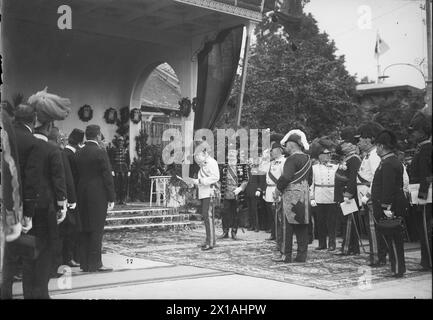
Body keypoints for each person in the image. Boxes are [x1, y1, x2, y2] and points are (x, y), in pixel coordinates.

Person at [23, 88, 69, 299]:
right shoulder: (52, 150)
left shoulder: (23, 143)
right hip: (45, 208)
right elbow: (58, 180)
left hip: (24, 207)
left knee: (28, 255)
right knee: (45, 254)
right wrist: (62, 205)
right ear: (50, 125)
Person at [76, 125, 115, 272]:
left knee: (84, 227)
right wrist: (111, 196)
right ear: (98, 136)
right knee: (97, 229)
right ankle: (96, 263)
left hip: (81, 192)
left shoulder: (78, 152)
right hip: (98, 194)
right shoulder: (100, 152)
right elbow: (107, 176)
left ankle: (84, 263)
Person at [371, 130, 408, 278]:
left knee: (393, 237)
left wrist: (386, 206)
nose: (376, 150)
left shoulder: (388, 164)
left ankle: (398, 268)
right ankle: (396, 267)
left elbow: (388, 187)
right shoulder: (390, 161)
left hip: (390, 206)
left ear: (381, 146)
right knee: (392, 237)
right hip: (391, 203)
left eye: (377, 146)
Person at [274, 130, 312, 263]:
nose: (286, 147)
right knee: (302, 226)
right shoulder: (308, 159)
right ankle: (302, 255)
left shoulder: (291, 159)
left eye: (287, 144)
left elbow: (286, 177)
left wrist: (278, 189)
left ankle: (286, 255)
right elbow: (310, 180)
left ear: (292, 144)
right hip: (304, 196)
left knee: (286, 227)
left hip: (290, 197)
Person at [47, 127, 77, 275]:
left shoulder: (39, 149)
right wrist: (70, 199)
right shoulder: (59, 153)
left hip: (41, 199)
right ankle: (57, 265)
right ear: (59, 140)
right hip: (57, 200)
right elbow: (65, 178)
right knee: (60, 234)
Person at [355, 121, 385, 266]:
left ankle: (377, 256)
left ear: (368, 139)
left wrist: (368, 196)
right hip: (365, 197)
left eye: (360, 138)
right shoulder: (369, 155)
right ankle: (377, 255)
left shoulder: (374, 156)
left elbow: (376, 178)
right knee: (371, 228)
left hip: (370, 197)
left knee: (373, 229)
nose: (358, 142)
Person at [407, 111, 432, 271]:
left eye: (415, 131)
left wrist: (421, 197)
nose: (413, 134)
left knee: (425, 230)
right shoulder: (423, 148)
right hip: (424, 194)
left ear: (423, 131)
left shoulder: (425, 149)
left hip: (425, 195)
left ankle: (427, 261)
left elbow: (425, 175)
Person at [334, 127, 362, 256]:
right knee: (347, 221)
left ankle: (347, 248)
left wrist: (348, 194)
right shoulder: (347, 158)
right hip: (342, 194)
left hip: (348, 195)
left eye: (345, 143)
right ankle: (353, 247)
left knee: (349, 221)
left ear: (351, 145)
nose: (342, 145)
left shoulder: (354, 159)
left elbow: (353, 178)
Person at [187, 148, 220, 250]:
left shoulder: (211, 162)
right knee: (206, 217)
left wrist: (199, 181)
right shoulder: (203, 164)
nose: (196, 158)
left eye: (198, 155)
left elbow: (215, 177)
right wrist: (193, 182)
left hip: (210, 193)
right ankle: (210, 240)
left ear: (204, 153)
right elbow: (201, 180)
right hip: (204, 193)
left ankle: (210, 242)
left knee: (208, 216)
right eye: (195, 156)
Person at [310, 137, 339, 251]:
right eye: (325, 154)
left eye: (329, 154)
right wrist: (312, 197)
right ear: (319, 155)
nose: (328, 156)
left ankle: (332, 243)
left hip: (331, 196)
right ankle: (322, 243)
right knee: (320, 222)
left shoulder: (335, 166)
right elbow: (311, 184)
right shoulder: (314, 167)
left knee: (332, 222)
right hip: (319, 196)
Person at [62, 128, 85, 267]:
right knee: (72, 228)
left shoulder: (64, 152)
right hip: (73, 195)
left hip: (64, 194)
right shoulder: (72, 156)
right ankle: (69, 256)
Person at [219, 147, 249, 240]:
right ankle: (225, 232)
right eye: (230, 153)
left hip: (237, 194)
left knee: (236, 213)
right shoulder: (224, 166)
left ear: (236, 154)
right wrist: (219, 191)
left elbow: (246, 179)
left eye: (233, 152)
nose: (231, 154)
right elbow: (219, 180)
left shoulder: (242, 165)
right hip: (226, 193)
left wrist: (241, 188)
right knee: (225, 213)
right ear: (227, 155)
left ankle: (234, 232)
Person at [264, 142, 286, 254]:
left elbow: (284, 178)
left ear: (279, 150)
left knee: (279, 218)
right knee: (273, 217)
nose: (271, 152)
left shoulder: (284, 161)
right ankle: (275, 235)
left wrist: (280, 191)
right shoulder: (271, 162)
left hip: (278, 191)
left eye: (272, 150)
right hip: (269, 191)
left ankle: (280, 240)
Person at [109, 136, 131, 205]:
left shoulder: (126, 150)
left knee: (124, 185)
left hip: (124, 169)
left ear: (123, 142)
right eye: (119, 141)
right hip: (116, 169)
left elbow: (128, 161)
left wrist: (129, 170)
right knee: (117, 185)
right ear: (117, 142)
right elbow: (112, 160)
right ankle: (118, 199)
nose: (120, 142)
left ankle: (123, 199)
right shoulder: (114, 150)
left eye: (121, 141)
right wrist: (112, 170)